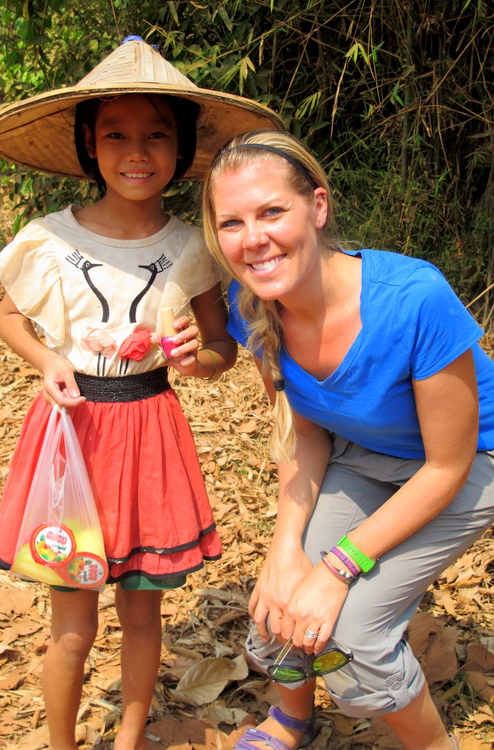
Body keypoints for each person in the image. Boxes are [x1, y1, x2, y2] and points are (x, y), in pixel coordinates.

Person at [0, 39, 283, 750]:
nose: (136, 152)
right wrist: (45, 359)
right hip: (71, 435)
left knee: (143, 615)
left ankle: (129, 738)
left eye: (156, 135)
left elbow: (220, 349)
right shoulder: (48, 239)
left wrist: (194, 358)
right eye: (115, 134)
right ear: (89, 145)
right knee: (73, 623)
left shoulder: (192, 245)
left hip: (150, 434)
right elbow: (6, 316)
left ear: (181, 150)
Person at [201, 129, 494, 750]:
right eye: (232, 223)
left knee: (353, 628)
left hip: (469, 464)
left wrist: (338, 566)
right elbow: (304, 430)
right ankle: (291, 719)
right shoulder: (250, 304)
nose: (253, 238)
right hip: (362, 454)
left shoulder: (412, 299)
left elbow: (447, 463)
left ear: (319, 206)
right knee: (281, 596)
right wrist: (286, 548)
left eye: (272, 211)